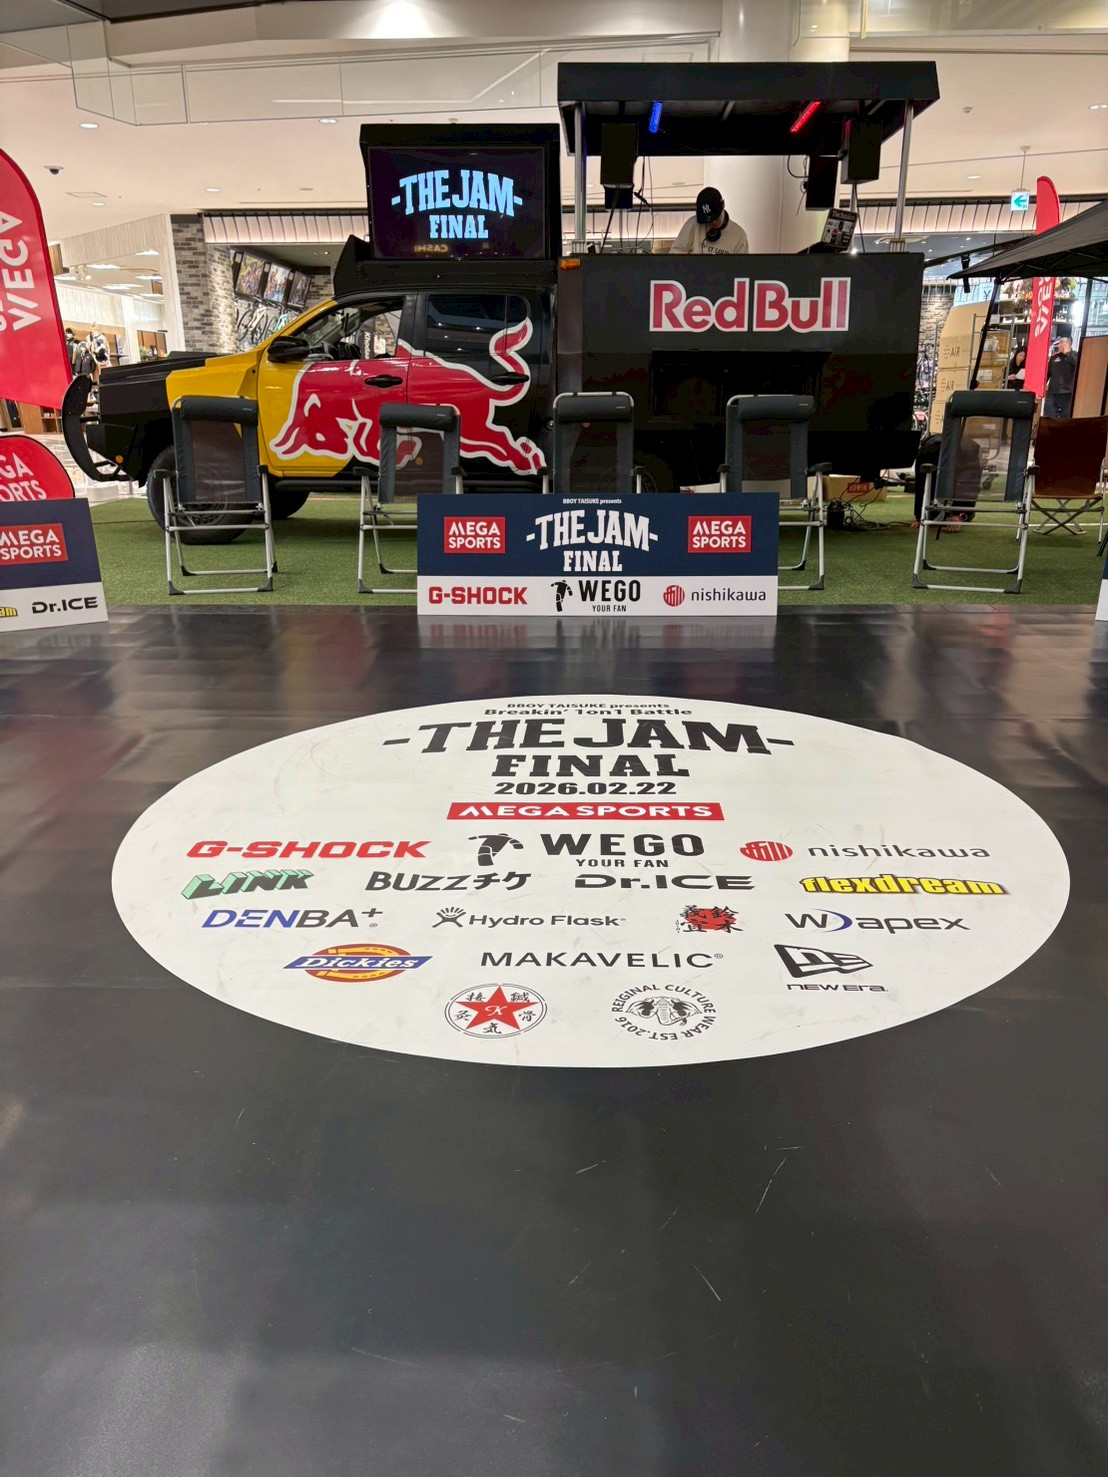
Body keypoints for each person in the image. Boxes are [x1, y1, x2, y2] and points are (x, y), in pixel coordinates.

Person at [669, 187, 749, 256]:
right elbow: (676, 254)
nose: (713, 223)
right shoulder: (693, 225)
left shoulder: (739, 235)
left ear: (723, 205)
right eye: (708, 221)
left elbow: (741, 266)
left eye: (716, 218)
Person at [1044, 338, 1077, 419]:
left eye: (1062, 343)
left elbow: (1077, 365)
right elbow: (1047, 373)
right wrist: (1042, 385)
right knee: (1049, 417)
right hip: (1053, 392)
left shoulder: (1075, 355)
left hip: (1068, 393)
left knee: (1065, 418)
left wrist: (1067, 353)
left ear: (1068, 344)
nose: (1059, 345)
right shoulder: (1054, 357)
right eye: (1059, 343)